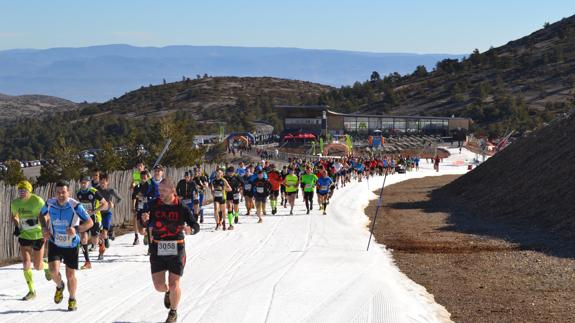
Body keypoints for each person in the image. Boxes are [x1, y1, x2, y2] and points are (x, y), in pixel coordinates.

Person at [140, 178, 200, 323]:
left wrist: (190, 230)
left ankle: (173, 312)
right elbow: (141, 218)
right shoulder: (153, 205)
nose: (160, 193)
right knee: (159, 286)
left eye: (164, 191)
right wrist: (144, 218)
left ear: (173, 191)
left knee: (174, 284)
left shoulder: (182, 207)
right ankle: (167, 292)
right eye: (159, 190)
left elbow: (195, 224)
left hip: (176, 247)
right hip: (157, 247)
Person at [39, 180, 94, 311]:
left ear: (68, 192)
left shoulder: (75, 206)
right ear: (55, 193)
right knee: (53, 271)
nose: (61, 195)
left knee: (70, 275)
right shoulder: (49, 203)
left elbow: (90, 222)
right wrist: (44, 228)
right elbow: (41, 214)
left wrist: (77, 229)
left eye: (63, 192)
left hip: (71, 245)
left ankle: (72, 298)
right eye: (58, 193)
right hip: (55, 243)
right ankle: (59, 286)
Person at [11, 180, 51, 300]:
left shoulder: (37, 201)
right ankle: (31, 291)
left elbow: (47, 215)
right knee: (25, 263)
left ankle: (46, 267)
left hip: (38, 235)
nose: (21, 192)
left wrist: (42, 226)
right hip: (24, 235)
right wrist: (17, 226)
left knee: (38, 266)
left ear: (29, 191)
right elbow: (15, 216)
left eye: (24, 190)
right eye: (20, 190)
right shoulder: (15, 203)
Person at [76, 176, 108, 269]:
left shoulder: (94, 192)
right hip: (84, 219)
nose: (83, 184)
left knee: (94, 241)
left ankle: (101, 242)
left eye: (85, 182)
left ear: (89, 183)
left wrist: (93, 211)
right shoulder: (78, 193)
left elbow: (105, 204)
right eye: (82, 182)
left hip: (95, 218)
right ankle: (87, 262)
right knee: (83, 239)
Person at [97, 174, 122, 260]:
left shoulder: (111, 190)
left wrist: (113, 204)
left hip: (107, 213)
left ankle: (105, 241)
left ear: (107, 182)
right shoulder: (96, 190)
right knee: (100, 234)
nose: (102, 184)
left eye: (104, 182)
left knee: (104, 233)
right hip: (98, 214)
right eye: (101, 182)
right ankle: (101, 250)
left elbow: (120, 199)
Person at [132, 170, 156, 246]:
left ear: (147, 178)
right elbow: (133, 197)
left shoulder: (149, 184)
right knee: (141, 231)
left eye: (144, 177)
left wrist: (150, 176)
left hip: (148, 209)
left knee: (149, 226)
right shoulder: (137, 186)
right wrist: (133, 207)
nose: (143, 179)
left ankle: (150, 245)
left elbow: (152, 182)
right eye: (141, 177)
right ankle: (146, 235)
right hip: (140, 209)